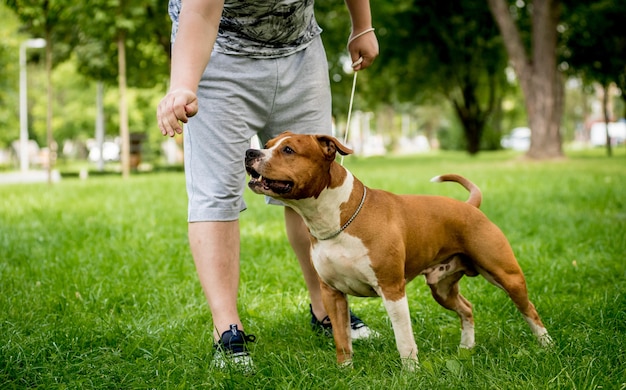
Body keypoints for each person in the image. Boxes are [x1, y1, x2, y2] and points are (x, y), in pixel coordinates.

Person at [157, 0, 379, 371]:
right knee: (217, 191)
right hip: (217, 54)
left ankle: (326, 308)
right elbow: (200, 12)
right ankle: (227, 330)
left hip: (299, 49)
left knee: (311, 185)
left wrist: (363, 25)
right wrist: (183, 85)